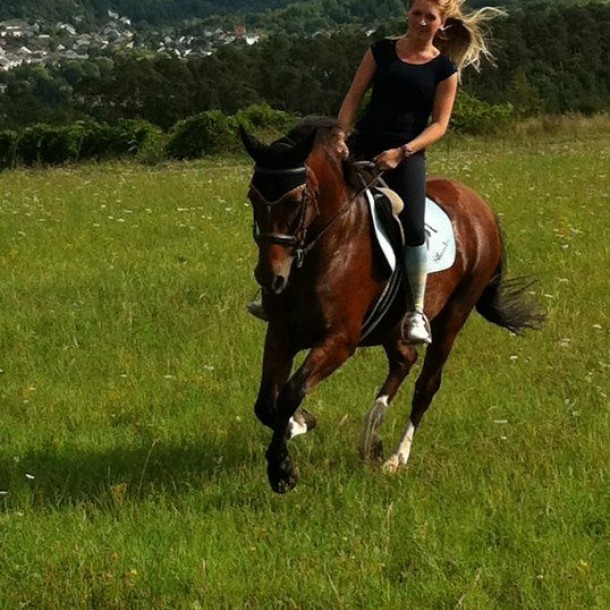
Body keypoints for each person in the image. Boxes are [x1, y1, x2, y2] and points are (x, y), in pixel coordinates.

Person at [338, 0, 504, 344]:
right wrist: (340, 137)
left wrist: (403, 153)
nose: (422, 21)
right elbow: (353, 98)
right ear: (407, 15)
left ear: (442, 24)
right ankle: (279, 292)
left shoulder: (444, 70)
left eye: (430, 17)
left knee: (414, 228)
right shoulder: (380, 51)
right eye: (417, 14)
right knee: (315, 202)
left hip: (407, 156)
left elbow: (439, 125)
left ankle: (415, 312)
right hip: (362, 145)